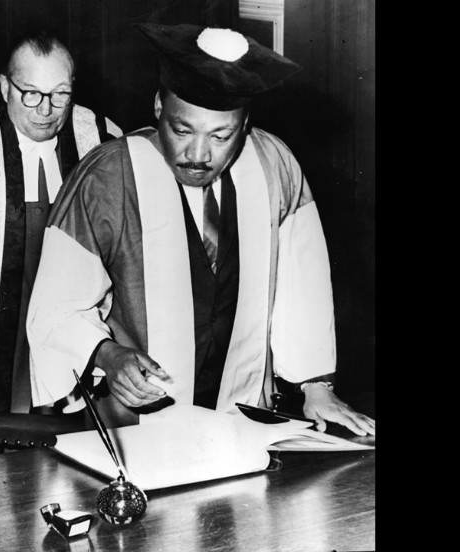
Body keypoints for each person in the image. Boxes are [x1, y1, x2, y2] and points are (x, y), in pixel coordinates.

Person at [26, 23, 375, 435]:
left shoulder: (274, 165)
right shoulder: (108, 176)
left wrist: (316, 386)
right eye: (182, 130)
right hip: (133, 427)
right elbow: (55, 307)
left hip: (243, 421)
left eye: (221, 135)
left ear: (244, 124)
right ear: (159, 106)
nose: (198, 154)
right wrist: (106, 355)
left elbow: (303, 284)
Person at [0, 30, 122, 416]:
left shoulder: (102, 137)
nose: (45, 110)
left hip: (73, 319)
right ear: (5, 87)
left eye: (60, 94)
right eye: (30, 93)